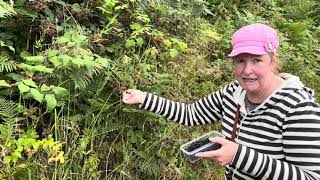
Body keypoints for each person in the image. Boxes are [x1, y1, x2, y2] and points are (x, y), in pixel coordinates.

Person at [122, 23, 320, 180]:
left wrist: (239, 156)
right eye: (240, 61)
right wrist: (144, 98)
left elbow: (311, 176)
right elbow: (191, 114)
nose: (246, 70)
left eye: (256, 60)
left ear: (273, 60)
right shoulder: (233, 92)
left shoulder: (298, 108)